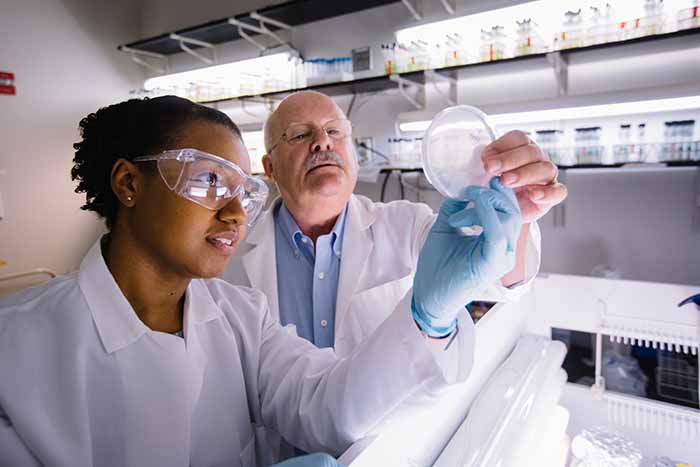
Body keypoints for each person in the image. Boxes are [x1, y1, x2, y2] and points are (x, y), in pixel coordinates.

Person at [0, 96, 522, 466]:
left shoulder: (240, 315)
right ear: (129, 183)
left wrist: (425, 316)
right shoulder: (15, 348)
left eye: (244, 192)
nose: (234, 213)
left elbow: (328, 407)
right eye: (209, 180)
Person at [223, 90, 567, 356]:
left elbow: (499, 280)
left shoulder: (407, 226)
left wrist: (516, 217)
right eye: (299, 135)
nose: (322, 142)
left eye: (334, 131)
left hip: (384, 445)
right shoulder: (230, 252)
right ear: (269, 168)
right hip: (275, 446)